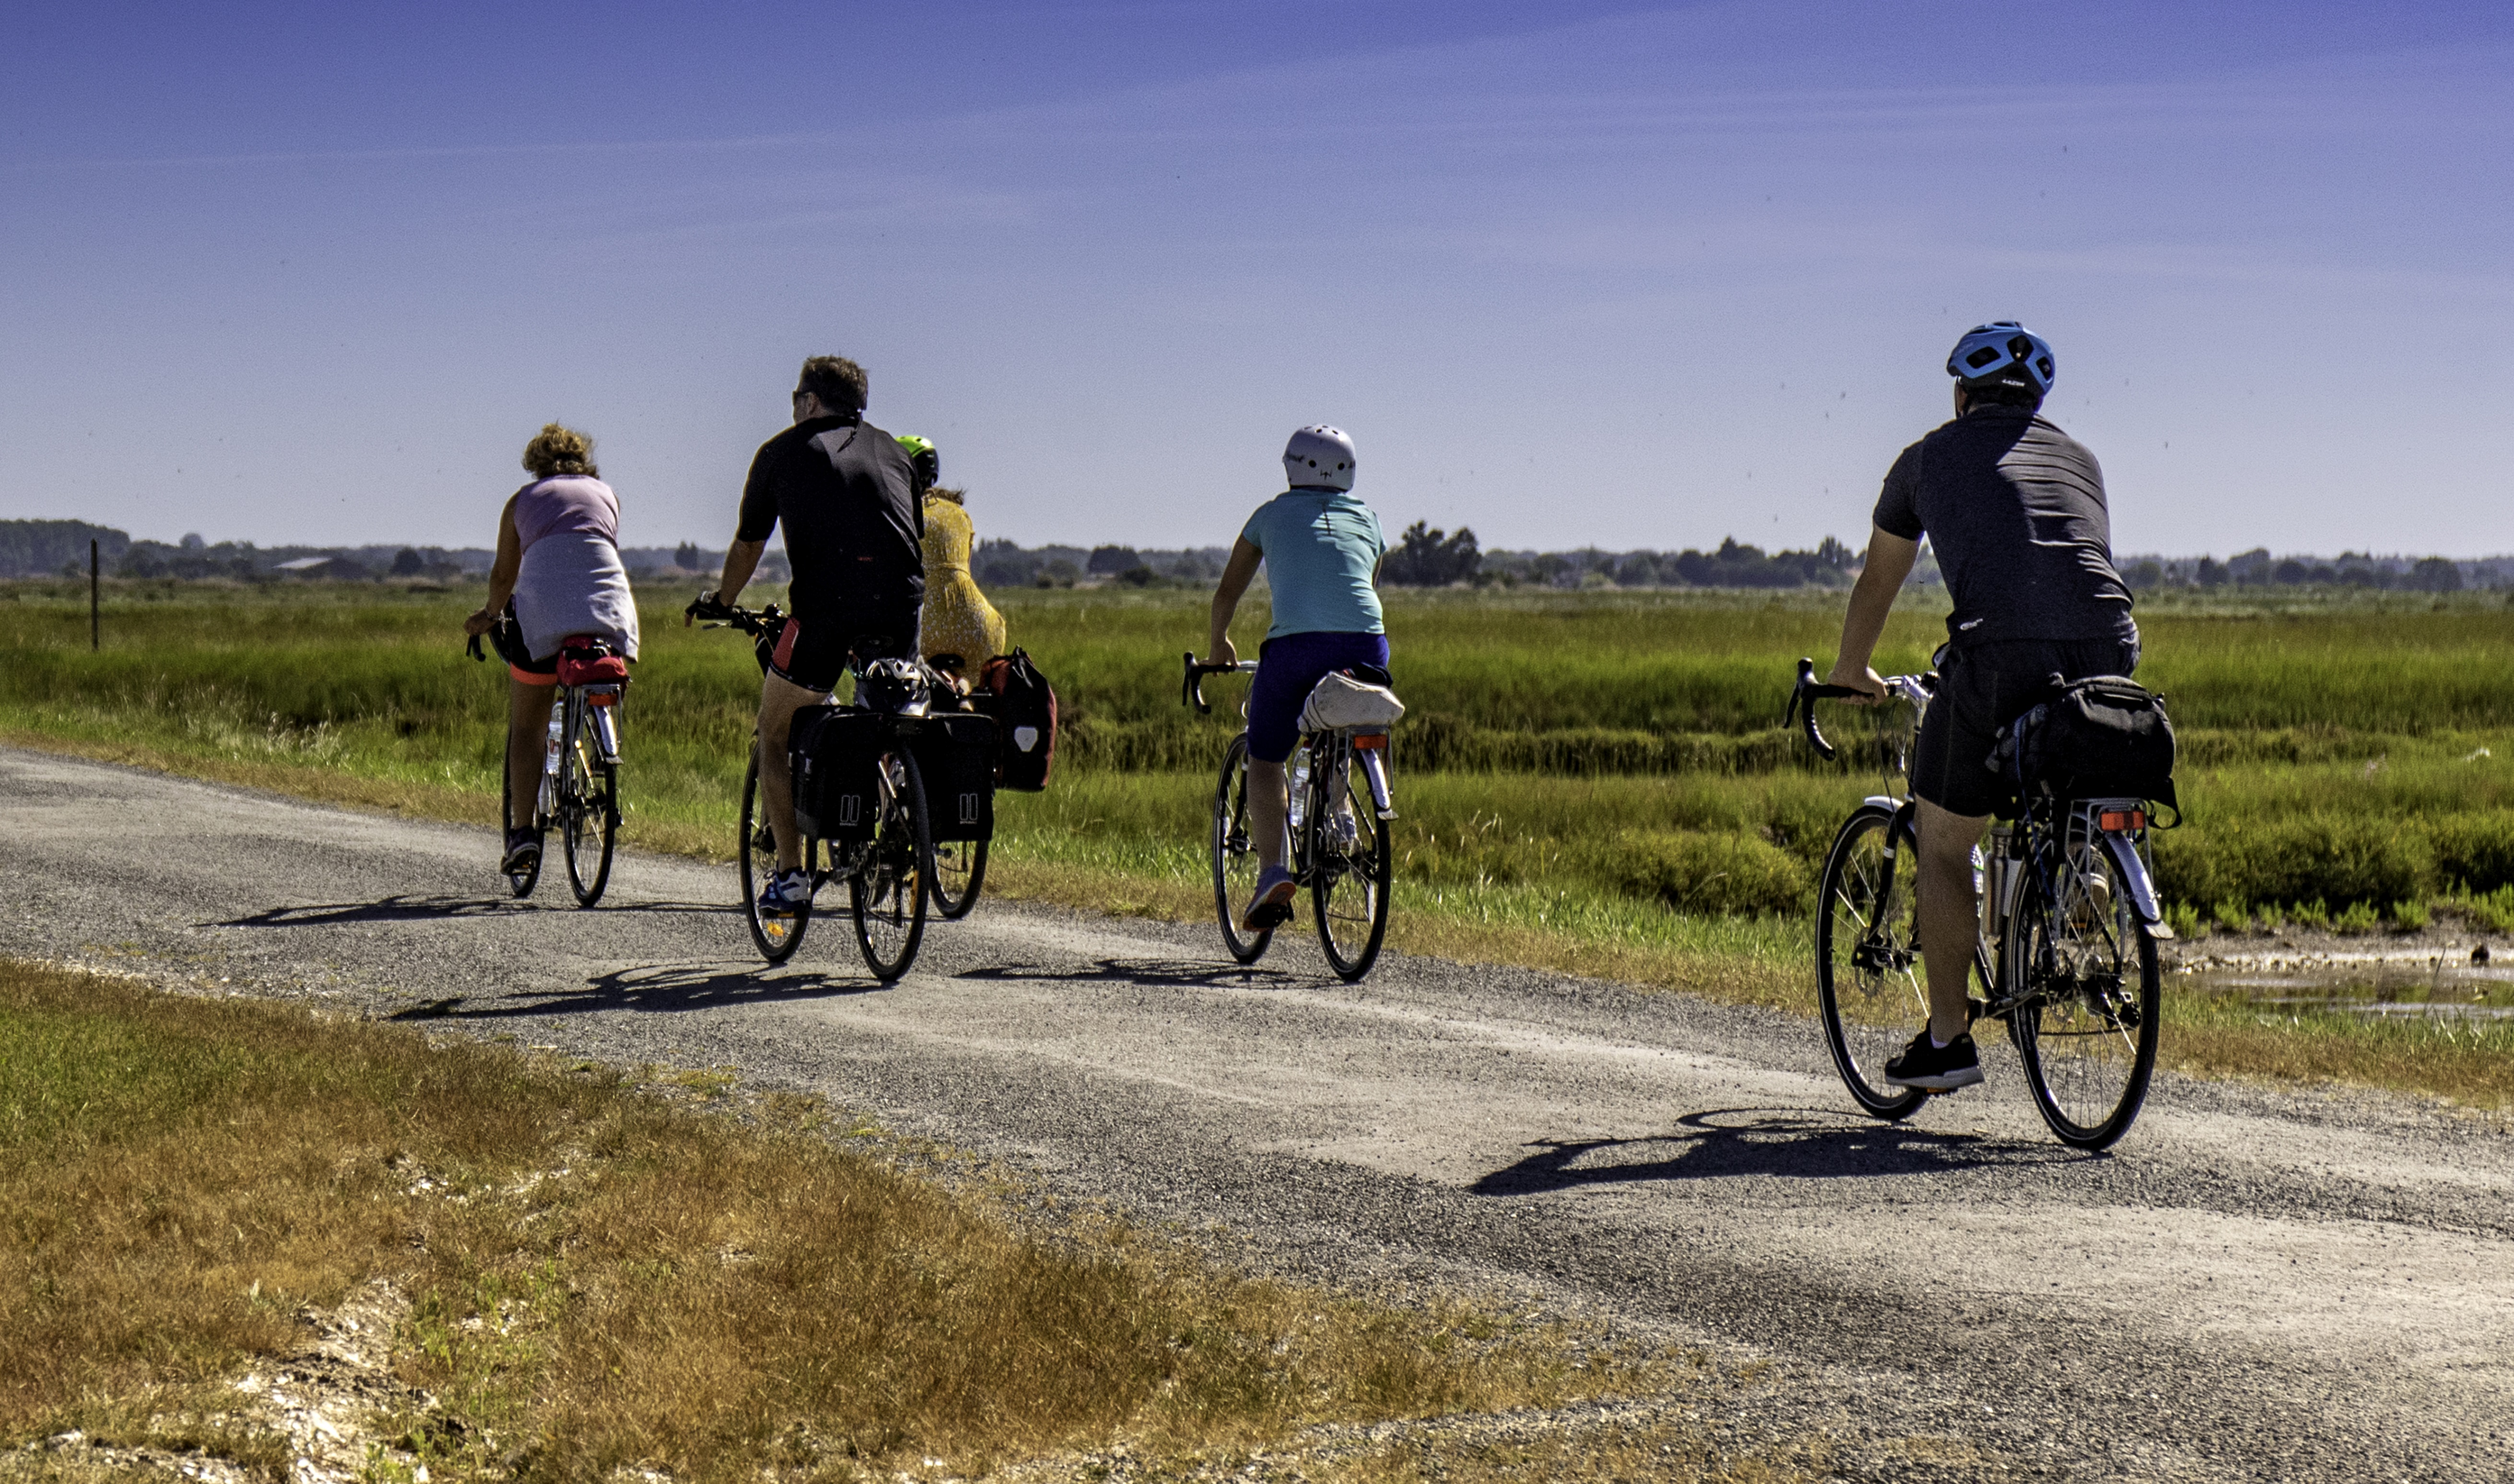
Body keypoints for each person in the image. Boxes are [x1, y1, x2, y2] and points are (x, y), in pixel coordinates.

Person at [1825, 322, 2139, 1091]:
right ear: (2035, 398)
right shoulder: (2081, 459)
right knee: (2057, 799)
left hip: (1996, 654)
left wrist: (1849, 668)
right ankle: (2077, 889)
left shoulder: (1925, 459)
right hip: (2110, 655)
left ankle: (1946, 1040)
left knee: (1940, 840)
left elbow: (1877, 580)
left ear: (1961, 393)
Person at [693, 356, 923, 918]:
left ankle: (792, 878)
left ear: (811, 402)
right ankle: (896, 804)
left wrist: (721, 602)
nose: (794, 405)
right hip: (902, 609)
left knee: (774, 731)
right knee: (886, 717)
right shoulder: (895, 450)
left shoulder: (781, 452)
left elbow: (748, 546)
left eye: (796, 396)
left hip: (825, 613)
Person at [1201, 425, 1387, 931]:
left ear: (1290, 466)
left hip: (1294, 648)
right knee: (1344, 717)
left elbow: (1226, 594)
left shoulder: (1268, 515)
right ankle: (1342, 804)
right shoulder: (1369, 519)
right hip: (1369, 644)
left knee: (1265, 759)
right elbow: (1362, 588)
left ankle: (1272, 872)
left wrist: (1220, 645)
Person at [462, 423, 642, 874]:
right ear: (584, 461)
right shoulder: (607, 494)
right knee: (599, 674)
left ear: (535, 466)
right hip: (610, 612)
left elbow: (505, 576)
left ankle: (523, 833)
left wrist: (488, 614)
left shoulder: (522, 502)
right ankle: (599, 759)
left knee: (528, 727)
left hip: (543, 614)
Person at [898, 436, 1008, 681]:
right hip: (976, 624)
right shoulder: (959, 513)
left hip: (924, 623)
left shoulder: (900, 512)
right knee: (971, 694)